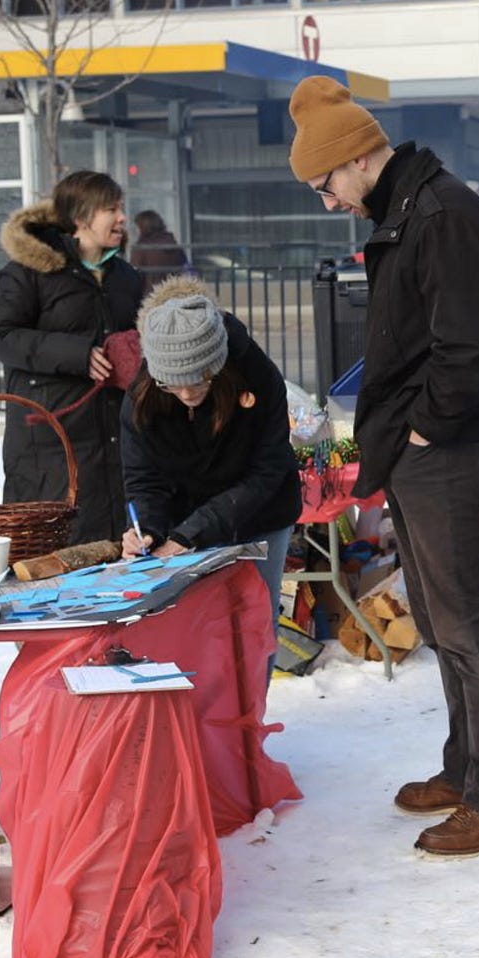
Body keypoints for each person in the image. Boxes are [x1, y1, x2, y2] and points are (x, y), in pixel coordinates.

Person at [289, 75, 479, 857]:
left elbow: (467, 344)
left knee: (468, 621)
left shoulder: (442, 212)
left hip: (452, 447)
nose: (326, 201)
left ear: (357, 158)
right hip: (424, 447)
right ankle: (467, 769)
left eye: (324, 184)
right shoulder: (406, 209)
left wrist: (427, 428)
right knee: (437, 618)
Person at [119, 277, 301, 674]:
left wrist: (189, 535)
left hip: (261, 513)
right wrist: (147, 528)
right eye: (173, 384)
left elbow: (267, 471)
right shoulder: (143, 396)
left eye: (198, 379)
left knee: (255, 620)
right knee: (194, 622)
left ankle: (248, 727)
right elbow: (143, 476)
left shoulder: (258, 376)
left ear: (217, 365)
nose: (185, 393)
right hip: (188, 515)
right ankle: (205, 723)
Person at [0, 171, 144, 543]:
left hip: (116, 437)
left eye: (121, 208)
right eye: (111, 209)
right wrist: (78, 354)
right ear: (80, 218)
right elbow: (1, 335)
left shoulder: (126, 277)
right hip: (51, 441)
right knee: (58, 551)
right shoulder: (31, 272)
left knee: (117, 555)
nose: (122, 217)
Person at [128, 210, 191, 293]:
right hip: (174, 293)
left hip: (150, 296)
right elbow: (184, 267)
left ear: (142, 227)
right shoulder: (173, 244)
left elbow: (134, 277)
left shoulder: (142, 248)